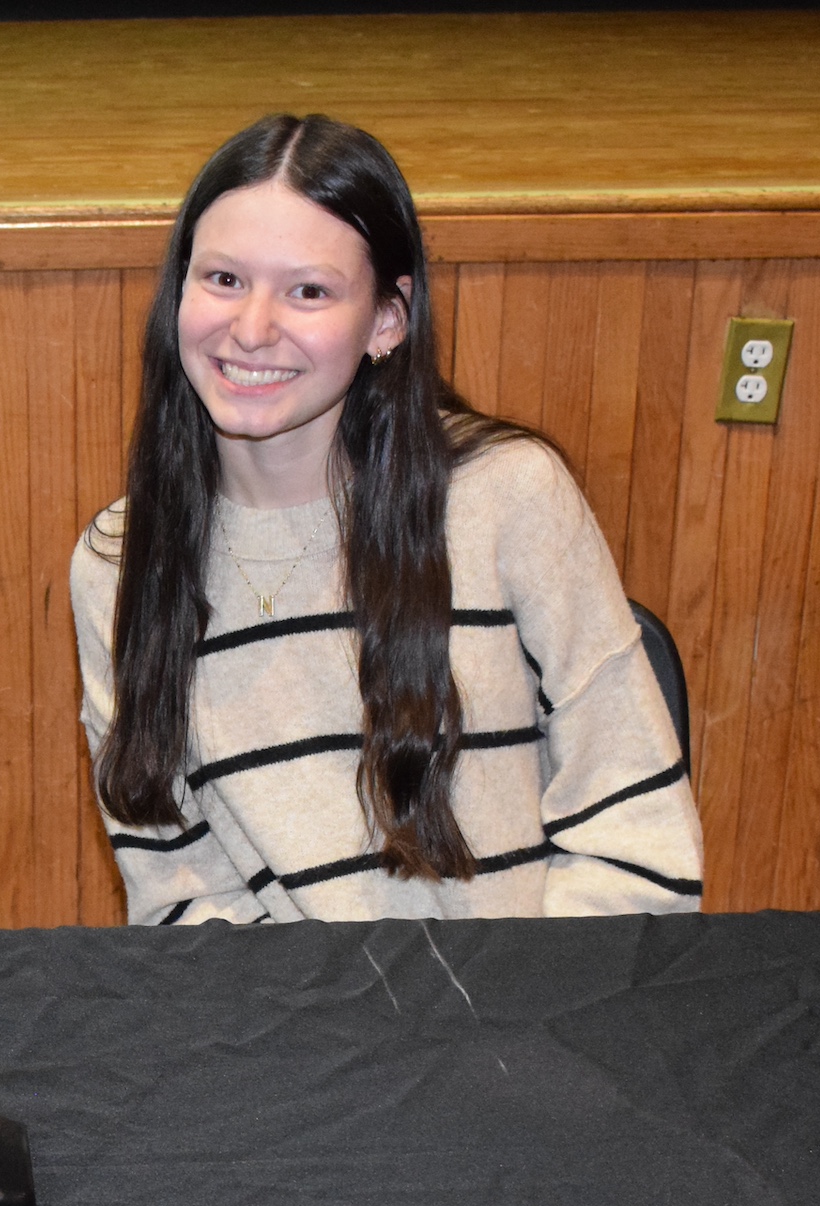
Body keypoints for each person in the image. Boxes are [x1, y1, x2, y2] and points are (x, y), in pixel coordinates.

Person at [71, 115, 701, 924]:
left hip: (529, 1014)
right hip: (289, 1033)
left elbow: (637, 846)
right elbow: (182, 900)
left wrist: (523, 1026)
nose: (252, 327)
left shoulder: (509, 497)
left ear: (387, 320)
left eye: (309, 291)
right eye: (223, 279)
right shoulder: (120, 565)